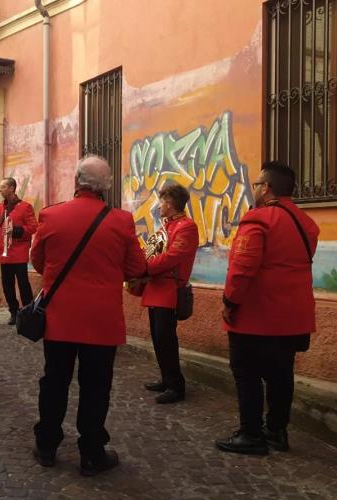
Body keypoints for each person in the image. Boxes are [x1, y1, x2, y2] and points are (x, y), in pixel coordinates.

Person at [30, 155, 147, 476]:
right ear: (106, 186)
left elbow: (39, 262)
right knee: (96, 387)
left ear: (76, 181)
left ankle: (47, 445)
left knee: (54, 382)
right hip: (101, 321)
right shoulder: (121, 220)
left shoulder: (51, 216)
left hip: (60, 318)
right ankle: (92, 453)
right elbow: (137, 268)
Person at [214, 161, 319, 456]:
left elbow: (242, 269)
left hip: (257, 315)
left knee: (245, 373)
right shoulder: (305, 222)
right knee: (281, 374)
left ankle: (251, 434)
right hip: (292, 315)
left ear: (267, 187)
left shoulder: (258, 220)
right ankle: (277, 431)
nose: (255, 188)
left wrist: (229, 302)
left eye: (258, 184)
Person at [136, 183, 198, 404]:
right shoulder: (167, 227)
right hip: (156, 288)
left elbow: (172, 257)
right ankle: (166, 378)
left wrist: (145, 269)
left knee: (166, 339)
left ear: (170, 204)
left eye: (162, 201)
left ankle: (176, 386)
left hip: (169, 289)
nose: (159, 205)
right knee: (158, 337)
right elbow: (153, 251)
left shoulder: (186, 227)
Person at [0, 177, 37, 325]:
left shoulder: (25, 207)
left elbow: (33, 227)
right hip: (4, 253)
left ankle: (27, 313)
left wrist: (17, 231)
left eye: (3, 186)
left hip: (19, 253)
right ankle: (13, 312)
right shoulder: (0, 207)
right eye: (0, 187)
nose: (0, 189)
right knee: (7, 286)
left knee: (23, 285)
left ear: (12, 188)